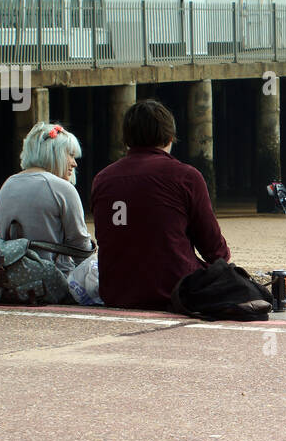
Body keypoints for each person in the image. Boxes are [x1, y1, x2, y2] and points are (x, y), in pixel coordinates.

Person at [92, 100, 230, 310]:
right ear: (170, 136)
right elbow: (213, 247)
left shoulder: (102, 179)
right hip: (174, 291)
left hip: (116, 293)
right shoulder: (186, 176)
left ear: (126, 138)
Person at [0, 123, 93, 276]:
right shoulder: (62, 188)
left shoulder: (8, 184)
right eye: (71, 155)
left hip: (9, 278)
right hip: (52, 282)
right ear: (54, 152)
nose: (75, 163)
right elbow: (81, 246)